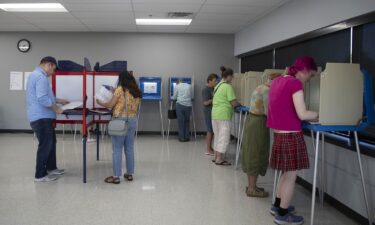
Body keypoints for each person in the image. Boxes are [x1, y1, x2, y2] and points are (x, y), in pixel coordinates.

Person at [267, 56, 318, 225]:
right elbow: (303, 114)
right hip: (291, 135)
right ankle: (282, 215)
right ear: (304, 71)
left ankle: (277, 205)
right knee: (291, 176)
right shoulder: (296, 84)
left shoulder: (277, 81)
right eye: (310, 76)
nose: (309, 80)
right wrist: (322, 114)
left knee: (285, 173)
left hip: (279, 134)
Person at [26, 56, 69, 182]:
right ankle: (40, 175)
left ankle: (51, 168)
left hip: (42, 117)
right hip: (41, 118)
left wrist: (60, 100)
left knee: (51, 144)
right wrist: (57, 109)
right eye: (54, 69)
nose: (53, 73)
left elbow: (45, 96)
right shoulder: (40, 77)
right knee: (45, 146)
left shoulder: (36, 75)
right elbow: (42, 99)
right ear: (49, 65)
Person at [241, 73, 282, 198]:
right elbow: (269, 111)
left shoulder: (260, 87)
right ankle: (252, 188)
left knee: (252, 152)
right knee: (255, 153)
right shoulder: (267, 91)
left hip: (254, 121)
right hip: (258, 122)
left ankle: (252, 186)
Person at [96, 71, 141, 184]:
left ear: (122, 79)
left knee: (116, 149)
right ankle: (129, 174)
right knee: (129, 148)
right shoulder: (136, 91)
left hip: (119, 121)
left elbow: (110, 105)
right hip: (132, 120)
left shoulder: (120, 89)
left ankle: (116, 176)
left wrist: (100, 102)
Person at [212, 67, 241, 165]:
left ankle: (215, 156)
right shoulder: (228, 87)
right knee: (223, 137)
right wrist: (239, 104)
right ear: (228, 76)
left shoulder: (218, 85)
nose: (232, 78)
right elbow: (233, 102)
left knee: (217, 136)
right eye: (232, 76)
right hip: (223, 115)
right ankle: (219, 159)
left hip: (215, 114)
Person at [202, 73, 219, 155]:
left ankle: (210, 147)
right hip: (208, 112)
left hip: (213, 112)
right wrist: (214, 99)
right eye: (215, 81)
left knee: (212, 131)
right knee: (209, 131)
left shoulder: (213, 89)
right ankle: (208, 149)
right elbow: (205, 103)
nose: (216, 82)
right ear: (209, 81)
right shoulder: (206, 89)